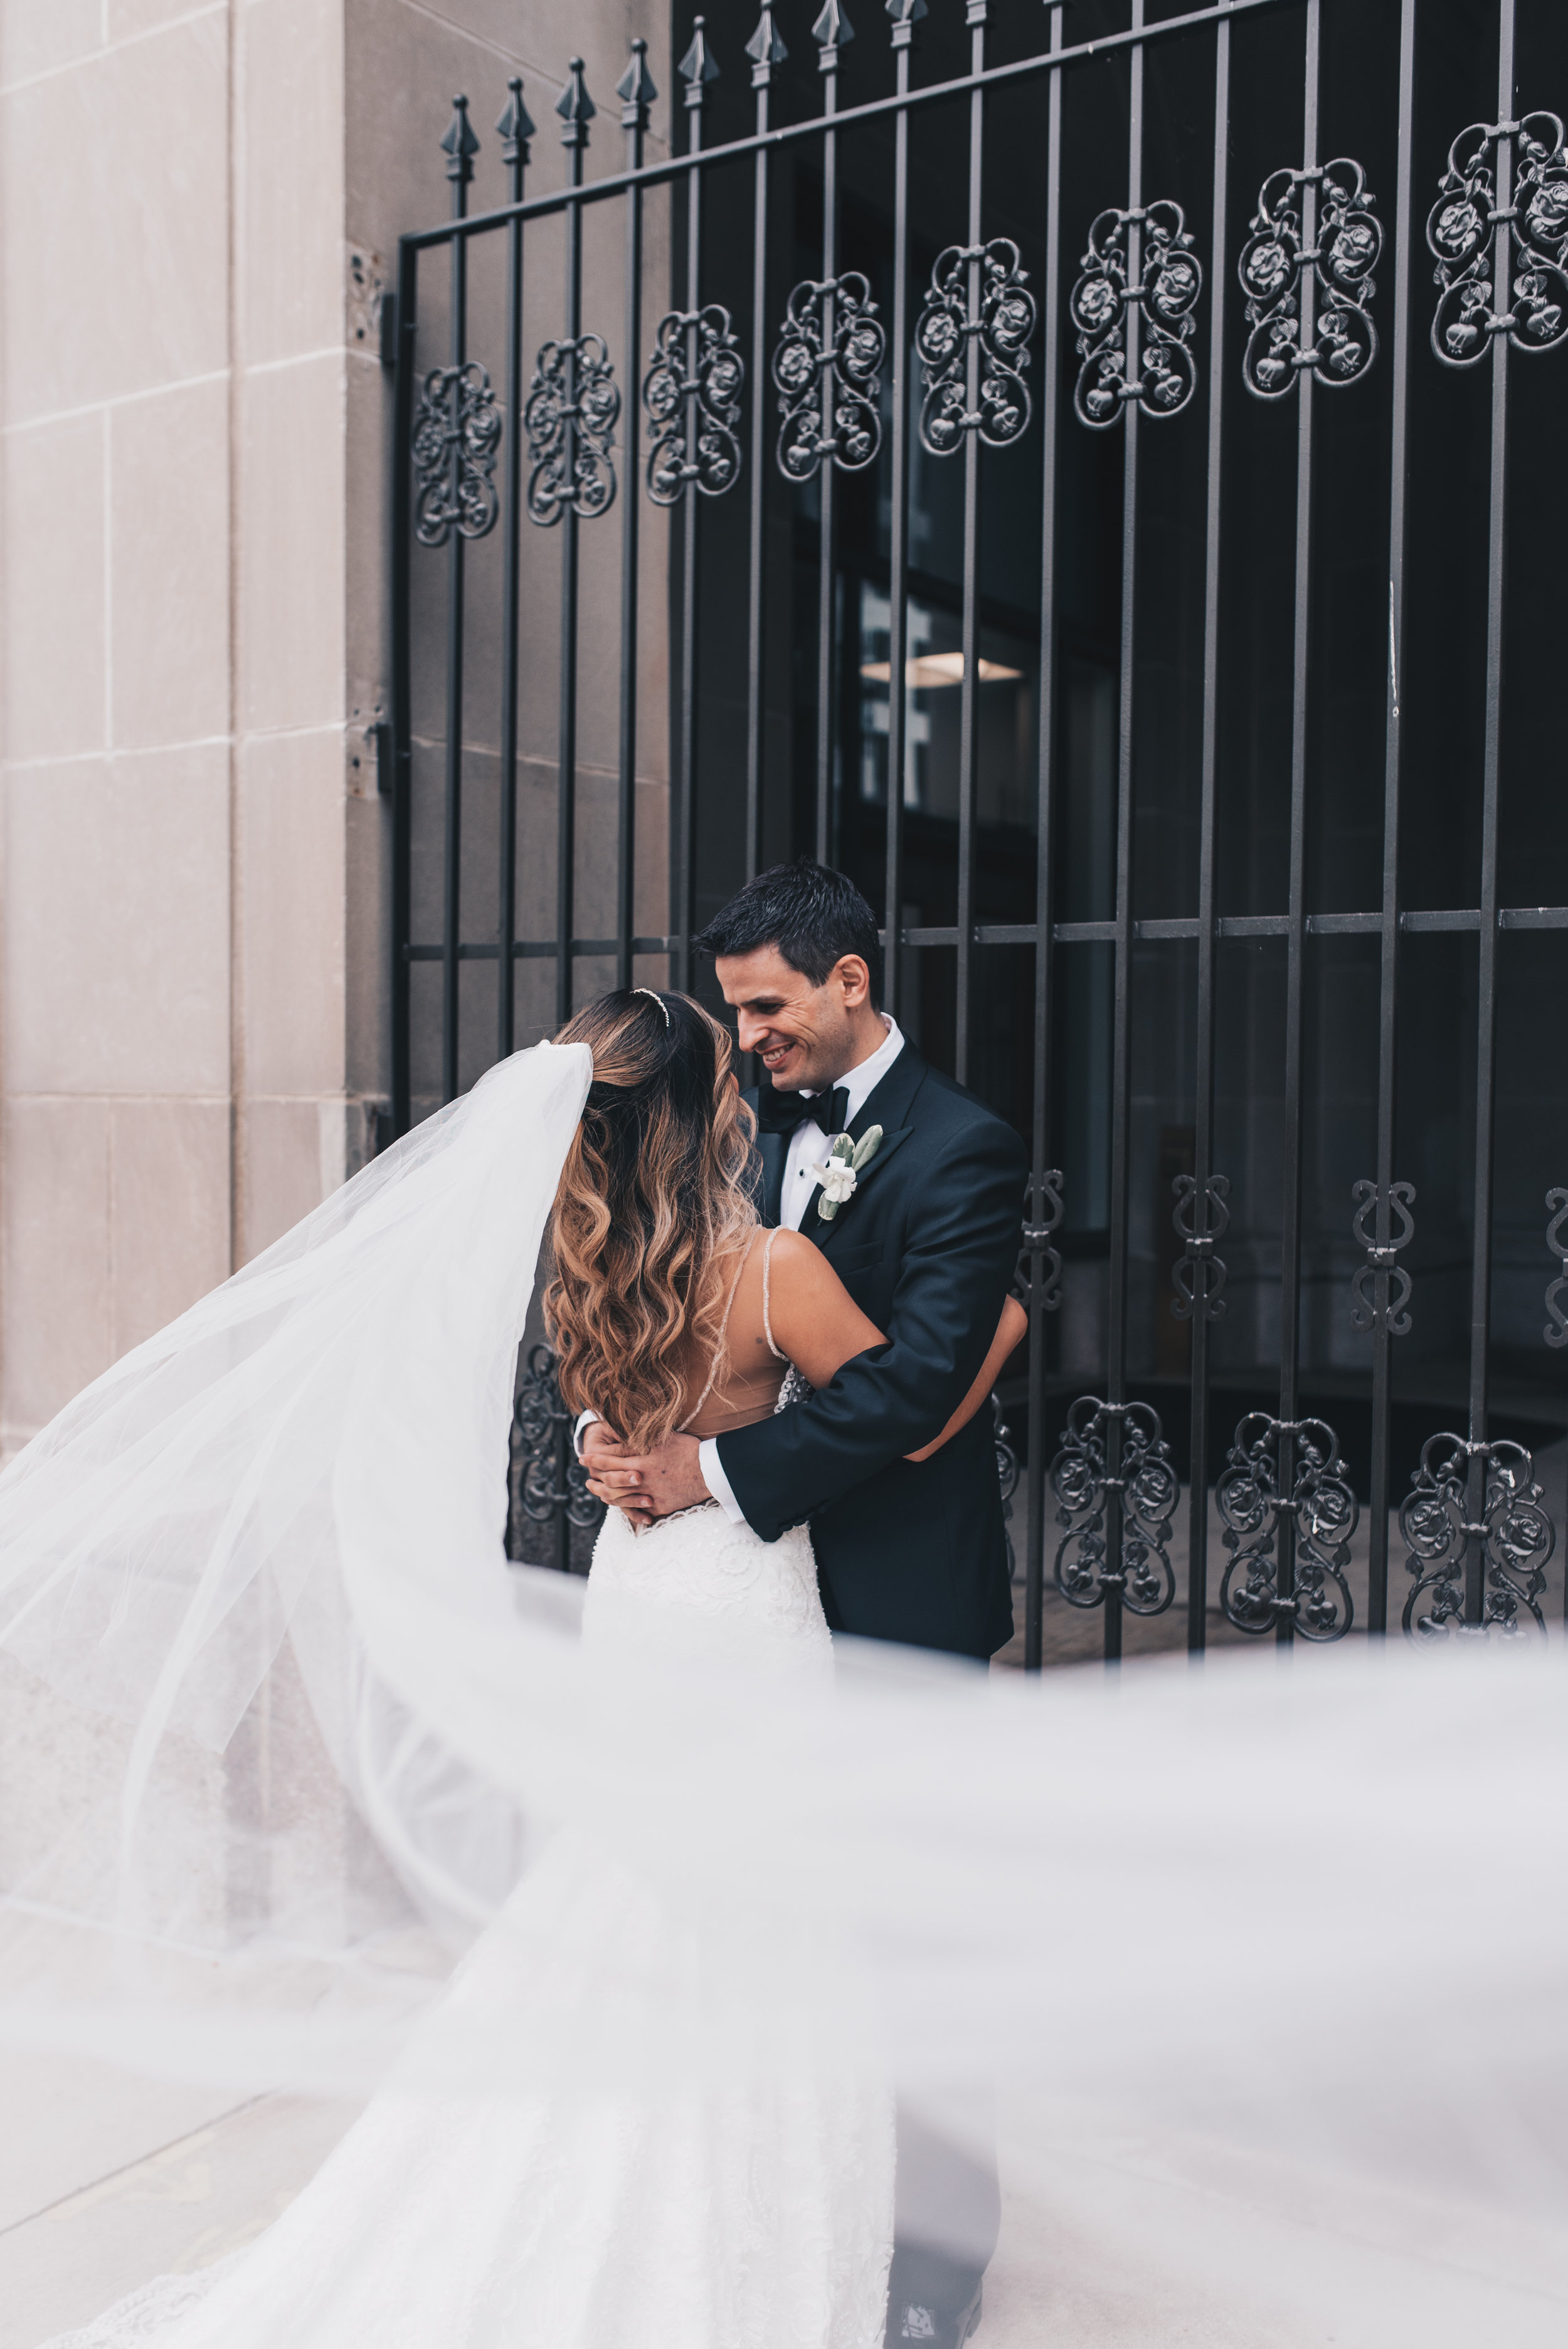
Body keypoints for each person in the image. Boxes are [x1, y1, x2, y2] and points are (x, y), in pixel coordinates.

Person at [24, 988, 1019, 2349]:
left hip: (638, 1592)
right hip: (731, 1608)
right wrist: (999, 1334)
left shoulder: (581, 1268)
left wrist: (606, 1452)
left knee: (632, 1894)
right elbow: (910, 1414)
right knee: (759, 1915)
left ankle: (595, 2169)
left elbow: (604, 1418)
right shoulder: (772, 1269)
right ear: (709, 1111)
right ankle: (720, 2227)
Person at [583, 861, 1029, 2346]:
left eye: (767, 1006)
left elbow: (907, 1394)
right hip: (753, 1616)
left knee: (918, 1940)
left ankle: (932, 2267)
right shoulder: (746, 1134)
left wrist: (702, 1471)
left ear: (849, 981)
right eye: (733, 1012)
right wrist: (622, 1443)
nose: (750, 1034)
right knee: (772, 1929)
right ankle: (787, 2207)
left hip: (896, 1603)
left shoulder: (962, 1147)